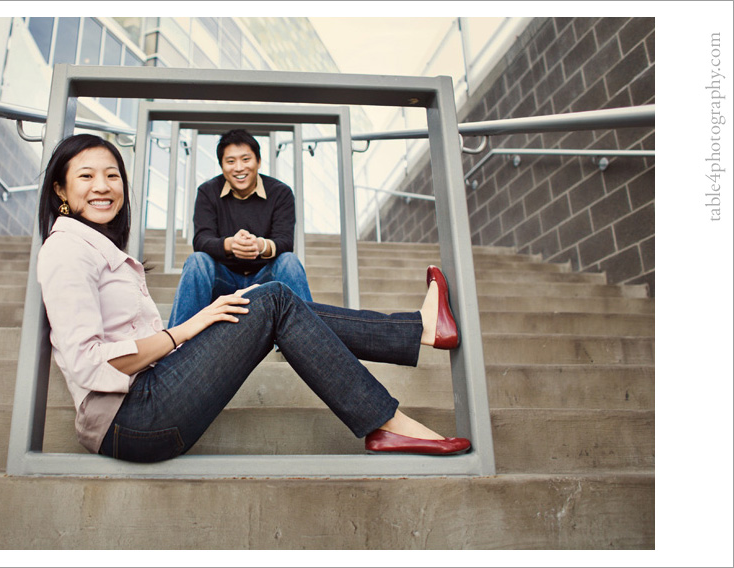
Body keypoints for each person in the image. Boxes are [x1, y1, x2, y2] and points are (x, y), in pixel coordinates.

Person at [37, 134, 469, 464]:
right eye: (87, 176)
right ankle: (408, 364)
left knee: (276, 292)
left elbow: (283, 242)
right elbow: (88, 362)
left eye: (113, 175)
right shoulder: (65, 250)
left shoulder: (94, 246)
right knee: (271, 299)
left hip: (151, 396)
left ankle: (416, 343)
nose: (104, 186)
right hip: (130, 419)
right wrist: (182, 332)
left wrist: (257, 255)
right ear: (60, 191)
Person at [168, 129, 313, 327]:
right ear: (221, 165)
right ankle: (179, 339)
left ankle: (307, 335)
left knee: (289, 261)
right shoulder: (207, 191)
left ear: (258, 161)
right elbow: (201, 239)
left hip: (265, 280)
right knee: (197, 260)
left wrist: (260, 246)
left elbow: (285, 240)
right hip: (223, 280)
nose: (239, 168)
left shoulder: (281, 192)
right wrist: (230, 245)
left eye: (246, 159)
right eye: (230, 161)